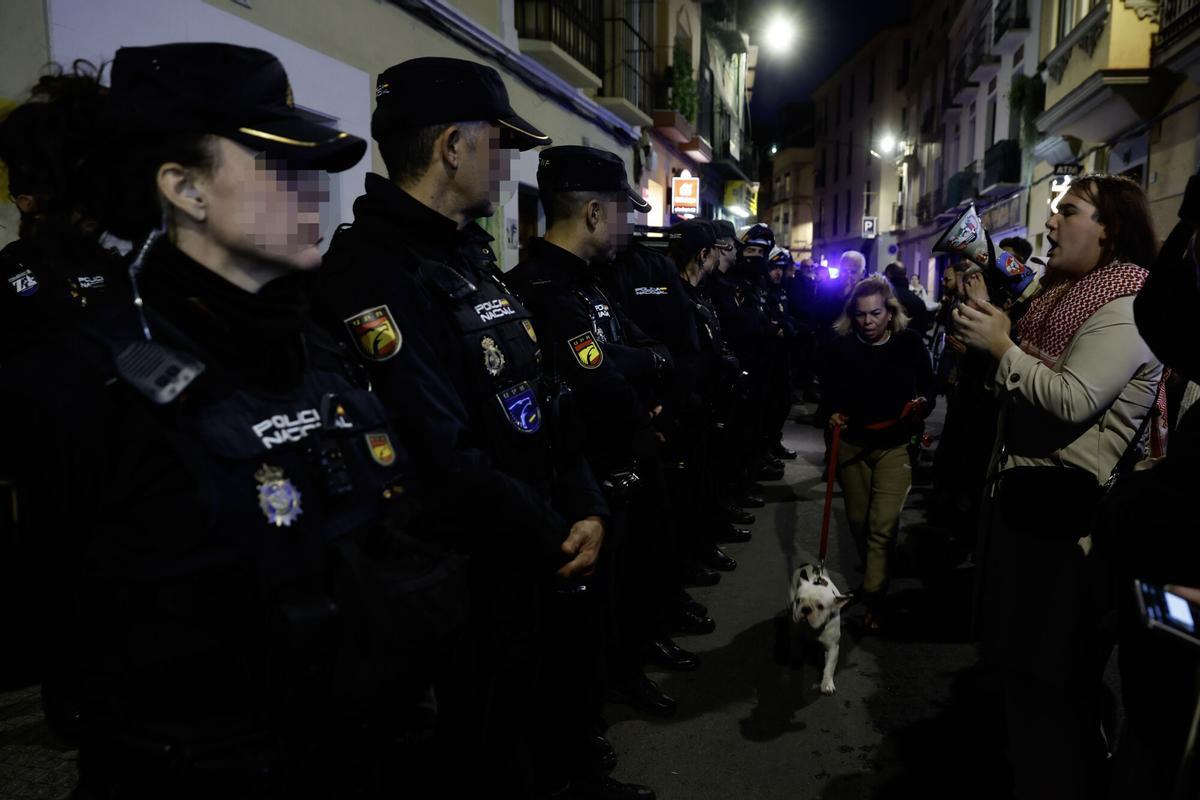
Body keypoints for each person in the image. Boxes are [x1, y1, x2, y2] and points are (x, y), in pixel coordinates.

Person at [1, 42, 468, 797]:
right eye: (281, 168)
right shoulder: (86, 379)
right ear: (184, 188)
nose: (315, 193)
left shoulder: (305, 339)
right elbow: (62, 619)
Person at [309, 61, 644, 800]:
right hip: (461, 590)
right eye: (501, 145)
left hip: (526, 560)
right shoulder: (372, 274)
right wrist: (559, 533)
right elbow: (443, 454)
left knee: (528, 736)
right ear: (454, 147)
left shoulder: (470, 257)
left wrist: (586, 502)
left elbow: (547, 394)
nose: (511, 164)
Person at [953, 173, 1163, 799]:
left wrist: (1001, 348)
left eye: (1067, 212)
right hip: (1032, 514)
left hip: (1064, 532)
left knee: (1051, 689)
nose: (1050, 224)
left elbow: (1071, 400)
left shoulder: (1123, 305)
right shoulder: (1062, 297)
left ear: (1110, 229)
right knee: (1028, 679)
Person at [507, 146, 684, 737]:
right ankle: (581, 734)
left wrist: (641, 368)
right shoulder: (539, 289)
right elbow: (600, 383)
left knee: (626, 595)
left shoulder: (590, 286)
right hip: (584, 481)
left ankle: (621, 677)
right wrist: (640, 384)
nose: (629, 222)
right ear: (591, 213)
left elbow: (639, 350)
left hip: (620, 465)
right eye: (621, 210)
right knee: (583, 624)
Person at [819, 276, 933, 630]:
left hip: (894, 447)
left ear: (890, 312)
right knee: (858, 522)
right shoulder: (839, 346)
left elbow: (929, 386)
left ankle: (874, 596)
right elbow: (826, 392)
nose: (868, 321)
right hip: (853, 445)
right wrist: (831, 413)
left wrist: (921, 405)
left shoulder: (909, 343)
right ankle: (874, 579)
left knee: (883, 526)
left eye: (875, 313)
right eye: (860, 314)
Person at [884, 261, 930, 335]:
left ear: (889, 274)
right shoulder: (918, 301)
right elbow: (923, 329)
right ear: (906, 276)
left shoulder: (886, 299)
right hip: (913, 343)